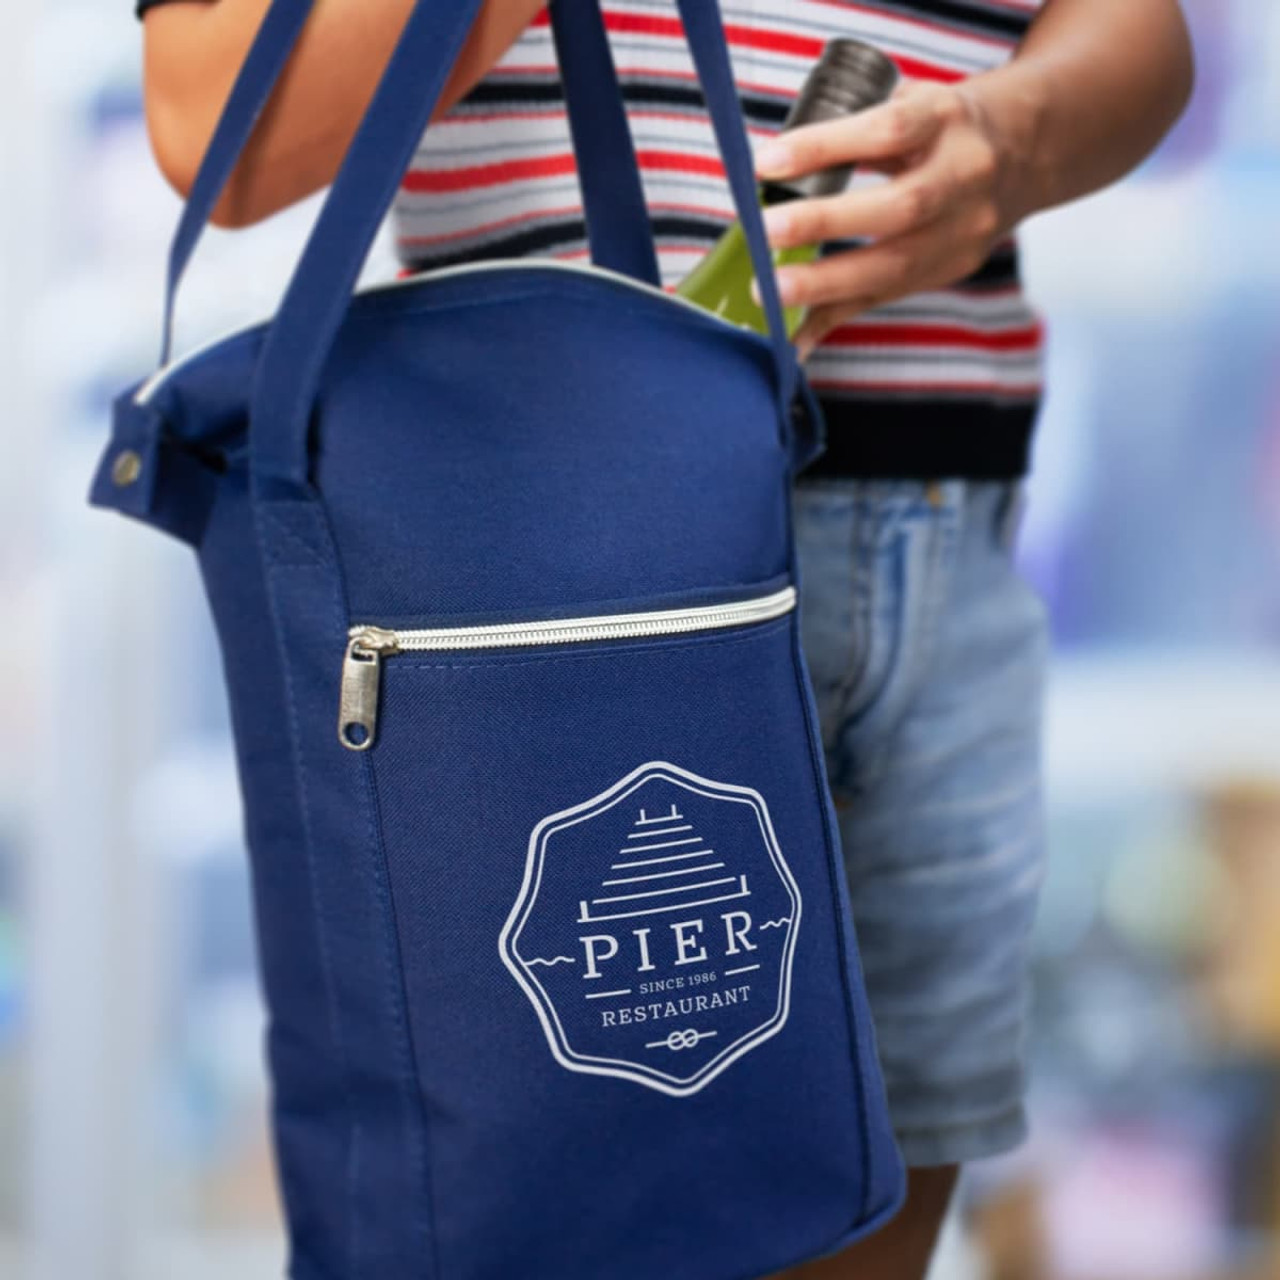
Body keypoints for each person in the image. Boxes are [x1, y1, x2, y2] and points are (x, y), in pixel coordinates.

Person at [137, 1, 1194, 1276]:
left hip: (946, 534)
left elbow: (1141, 32)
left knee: (855, 1216)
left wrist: (1010, 139)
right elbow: (213, 123)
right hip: (535, 564)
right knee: (508, 1222)